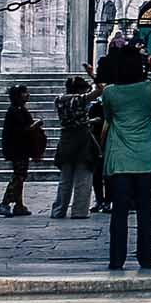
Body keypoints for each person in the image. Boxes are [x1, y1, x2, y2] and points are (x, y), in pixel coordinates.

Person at [98, 42, 151, 270]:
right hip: (146, 157)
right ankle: (146, 258)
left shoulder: (110, 92)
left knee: (119, 212)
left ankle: (116, 259)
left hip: (118, 158)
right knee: (146, 211)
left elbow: (108, 117)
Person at [49, 76, 96, 220]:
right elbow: (100, 90)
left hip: (65, 139)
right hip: (82, 139)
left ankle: (59, 210)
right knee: (83, 178)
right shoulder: (79, 99)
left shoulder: (59, 99)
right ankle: (79, 211)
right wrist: (93, 75)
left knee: (65, 178)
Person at [0, 85, 41, 217]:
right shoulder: (14, 111)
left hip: (22, 148)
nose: (27, 95)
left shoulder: (20, 110)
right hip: (17, 149)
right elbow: (23, 130)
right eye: (24, 93)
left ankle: (19, 205)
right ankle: (4, 203)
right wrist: (36, 125)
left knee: (21, 175)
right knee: (18, 176)